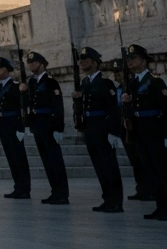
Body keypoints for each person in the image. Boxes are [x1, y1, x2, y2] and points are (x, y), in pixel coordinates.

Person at [122, 43, 167, 221]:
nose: (130, 62)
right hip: (139, 132)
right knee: (151, 172)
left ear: (144, 61)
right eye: (128, 59)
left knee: (163, 172)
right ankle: (160, 206)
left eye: (133, 59)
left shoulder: (155, 82)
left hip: (155, 132)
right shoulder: (132, 83)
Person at [72, 46, 124, 213]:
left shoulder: (105, 83)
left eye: (85, 60)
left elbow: (113, 109)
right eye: (81, 60)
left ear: (94, 63)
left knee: (110, 166)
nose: (81, 63)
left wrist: (114, 132)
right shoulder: (85, 82)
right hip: (90, 128)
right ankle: (107, 198)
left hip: (103, 128)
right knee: (99, 166)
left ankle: (116, 201)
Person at [21, 51, 69, 204]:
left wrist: (58, 128)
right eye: (29, 63)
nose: (30, 65)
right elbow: (28, 103)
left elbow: (58, 106)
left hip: (49, 125)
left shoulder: (50, 82)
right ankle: (54, 191)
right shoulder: (32, 83)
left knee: (55, 161)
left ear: (42, 64)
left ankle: (62, 193)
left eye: (33, 62)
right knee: (47, 161)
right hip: (38, 126)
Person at [0, 56, 31, 200]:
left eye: (1, 69)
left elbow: (23, 105)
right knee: (11, 158)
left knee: (20, 158)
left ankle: (25, 188)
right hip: (4, 126)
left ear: (7, 70)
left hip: (14, 125)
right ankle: (17, 186)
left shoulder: (15, 86)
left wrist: (22, 127)